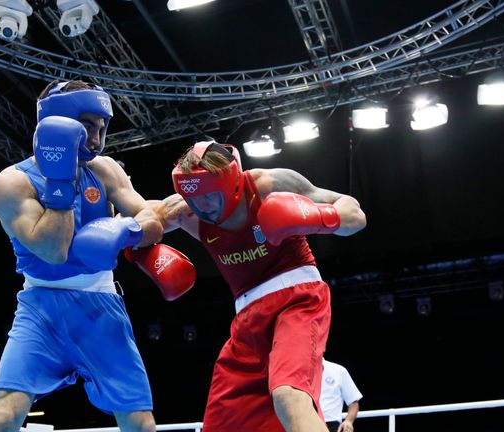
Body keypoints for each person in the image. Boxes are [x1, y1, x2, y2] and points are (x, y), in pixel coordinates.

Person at [0, 80, 183, 432]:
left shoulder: (105, 170)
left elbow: (151, 219)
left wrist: (124, 231)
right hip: (40, 308)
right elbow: (53, 252)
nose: (96, 138)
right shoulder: (11, 184)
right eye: (88, 125)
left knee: (140, 424)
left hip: (100, 304)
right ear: (59, 121)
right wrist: (63, 181)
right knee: (4, 414)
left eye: (102, 128)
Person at [149, 141, 367, 432]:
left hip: (298, 300)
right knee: (221, 423)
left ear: (231, 182)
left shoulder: (269, 185)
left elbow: (355, 214)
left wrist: (319, 216)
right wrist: (132, 245)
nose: (202, 207)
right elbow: (141, 219)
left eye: (210, 196)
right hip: (247, 320)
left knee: (289, 395)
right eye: (194, 198)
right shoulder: (185, 209)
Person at [319, 358, 363, 432]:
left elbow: (353, 402)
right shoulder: (299, 371)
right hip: (305, 423)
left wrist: (349, 421)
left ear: (323, 348)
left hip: (331, 426)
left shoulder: (339, 371)